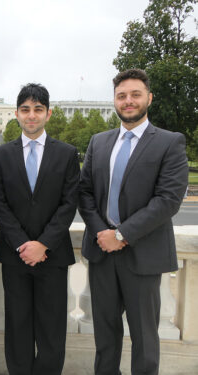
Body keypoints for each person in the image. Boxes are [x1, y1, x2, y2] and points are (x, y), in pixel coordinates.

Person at [78, 68, 188, 374]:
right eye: (122, 95)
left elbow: (167, 201)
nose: (128, 101)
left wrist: (122, 234)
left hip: (143, 254)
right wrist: (102, 232)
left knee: (145, 338)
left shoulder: (169, 142)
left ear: (148, 98)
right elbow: (84, 192)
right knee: (105, 337)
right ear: (114, 100)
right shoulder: (99, 142)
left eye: (135, 94)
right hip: (102, 254)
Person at [0, 83, 79, 375]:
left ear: (48, 114)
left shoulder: (67, 154)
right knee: (17, 326)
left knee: (52, 328)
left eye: (38, 110)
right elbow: (0, 204)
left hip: (52, 256)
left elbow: (69, 204)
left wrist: (43, 244)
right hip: (14, 256)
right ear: (16, 113)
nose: (32, 116)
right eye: (26, 110)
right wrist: (22, 244)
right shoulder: (2, 155)